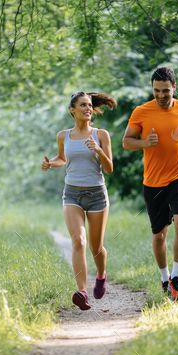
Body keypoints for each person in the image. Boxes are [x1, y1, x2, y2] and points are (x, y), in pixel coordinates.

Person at [122, 67, 178, 301]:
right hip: (153, 182)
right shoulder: (141, 112)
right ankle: (164, 277)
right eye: (156, 91)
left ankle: (177, 278)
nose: (160, 95)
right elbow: (127, 142)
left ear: (174, 88)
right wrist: (145, 142)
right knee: (159, 236)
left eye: (165, 91)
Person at [42, 91, 116, 310]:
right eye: (83, 105)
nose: (88, 109)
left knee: (96, 247)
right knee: (78, 241)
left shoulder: (101, 134)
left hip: (97, 195)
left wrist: (99, 151)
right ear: (72, 110)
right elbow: (62, 159)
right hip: (72, 193)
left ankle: (101, 274)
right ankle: (82, 292)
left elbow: (110, 169)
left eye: (90, 105)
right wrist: (50, 164)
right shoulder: (63, 136)